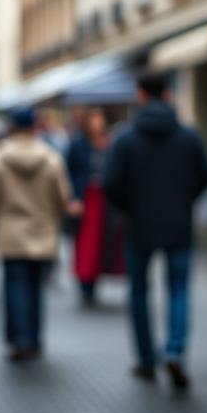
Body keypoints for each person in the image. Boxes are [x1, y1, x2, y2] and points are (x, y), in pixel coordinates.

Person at [103, 71, 207, 392]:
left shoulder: (125, 137)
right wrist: (183, 199)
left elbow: (110, 183)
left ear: (140, 96)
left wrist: (130, 206)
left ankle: (147, 359)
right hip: (178, 224)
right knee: (178, 289)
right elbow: (206, 175)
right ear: (167, 95)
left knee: (139, 291)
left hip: (140, 224)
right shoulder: (188, 135)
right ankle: (175, 350)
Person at [0, 107, 71, 361]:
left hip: (9, 232)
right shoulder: (51, 157)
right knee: (35, 287)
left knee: (14, 285)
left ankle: (17, 339)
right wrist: (55, 219)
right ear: (34, 127)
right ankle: (34, 338)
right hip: (42, 230)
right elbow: (62, 197)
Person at [67, 107, 124, 306]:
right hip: (87, 199)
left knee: (105, 243)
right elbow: (70, 172)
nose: (97, 123)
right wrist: (73, 198)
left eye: (100, 119)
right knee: (87, 243)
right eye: (94, 119)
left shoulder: (111, 144)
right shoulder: (78, 145)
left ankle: (98, 278)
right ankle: (86, 285)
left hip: (107, 199)